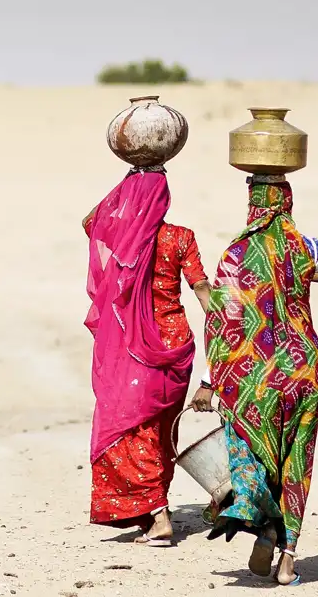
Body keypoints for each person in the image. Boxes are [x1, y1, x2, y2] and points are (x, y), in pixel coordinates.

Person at [188, 175, 318, 586]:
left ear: (252, 203)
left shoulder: (234, 254)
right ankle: (287, 557)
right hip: (303, 369)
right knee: (296, 462)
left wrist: (207, 381)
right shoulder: (306, 247)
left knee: (255, 452)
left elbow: (225, 324)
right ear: (287, 203)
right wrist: (312, 278)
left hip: (254, 377)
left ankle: (260, 518)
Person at [82, 165, 211, 546]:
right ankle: (151, 508)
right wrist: (229, 318)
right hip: (175, 345)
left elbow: (91, 220)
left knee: (133, 428)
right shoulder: (181, 237)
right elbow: (202, 289)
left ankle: (157, 515)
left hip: (134, 350)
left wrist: (128, 181)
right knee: (158, 429)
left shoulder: (123, 238)